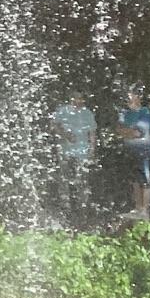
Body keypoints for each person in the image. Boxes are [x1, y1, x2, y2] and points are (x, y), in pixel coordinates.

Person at [50, 92, 99, 220]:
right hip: (65, 150)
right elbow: (54, 126)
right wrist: (65, 134)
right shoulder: (62, 111)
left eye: (81, 99)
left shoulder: (87, 113)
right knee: (64, 177)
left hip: (82, 151)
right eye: (76, 99)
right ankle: (65, 205)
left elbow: (92, 133)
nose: (78, 101)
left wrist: (92, 150)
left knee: (82, 178)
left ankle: (83, 205)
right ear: (71, 99)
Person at [115, 83, 150, 218]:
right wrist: (130, 132)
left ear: (137, 96)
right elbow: (118, 130)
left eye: (130, 94)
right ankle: (137, 207)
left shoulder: (147, 112)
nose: (128, 97)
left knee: (146, 180)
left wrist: (146, 138)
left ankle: (145, 210)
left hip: (144, 151)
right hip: (130, 150)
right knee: (134, 179)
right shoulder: (124, 113)